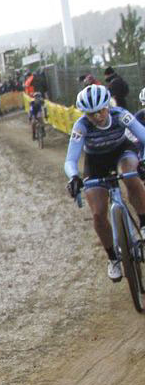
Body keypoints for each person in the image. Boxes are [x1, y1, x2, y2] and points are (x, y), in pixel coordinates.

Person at [63, 84, 145, 282]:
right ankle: (113, 258)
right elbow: (70, 160)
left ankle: (143, 223)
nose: (97, 116)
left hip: (122, 152)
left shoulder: (120, 115)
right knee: (98, 214)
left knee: (131, 175)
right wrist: (74, 177)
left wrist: (143, 161)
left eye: (101, 110)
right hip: (96, 162)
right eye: (91, 114)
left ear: (107, 106)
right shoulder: (81, 126)